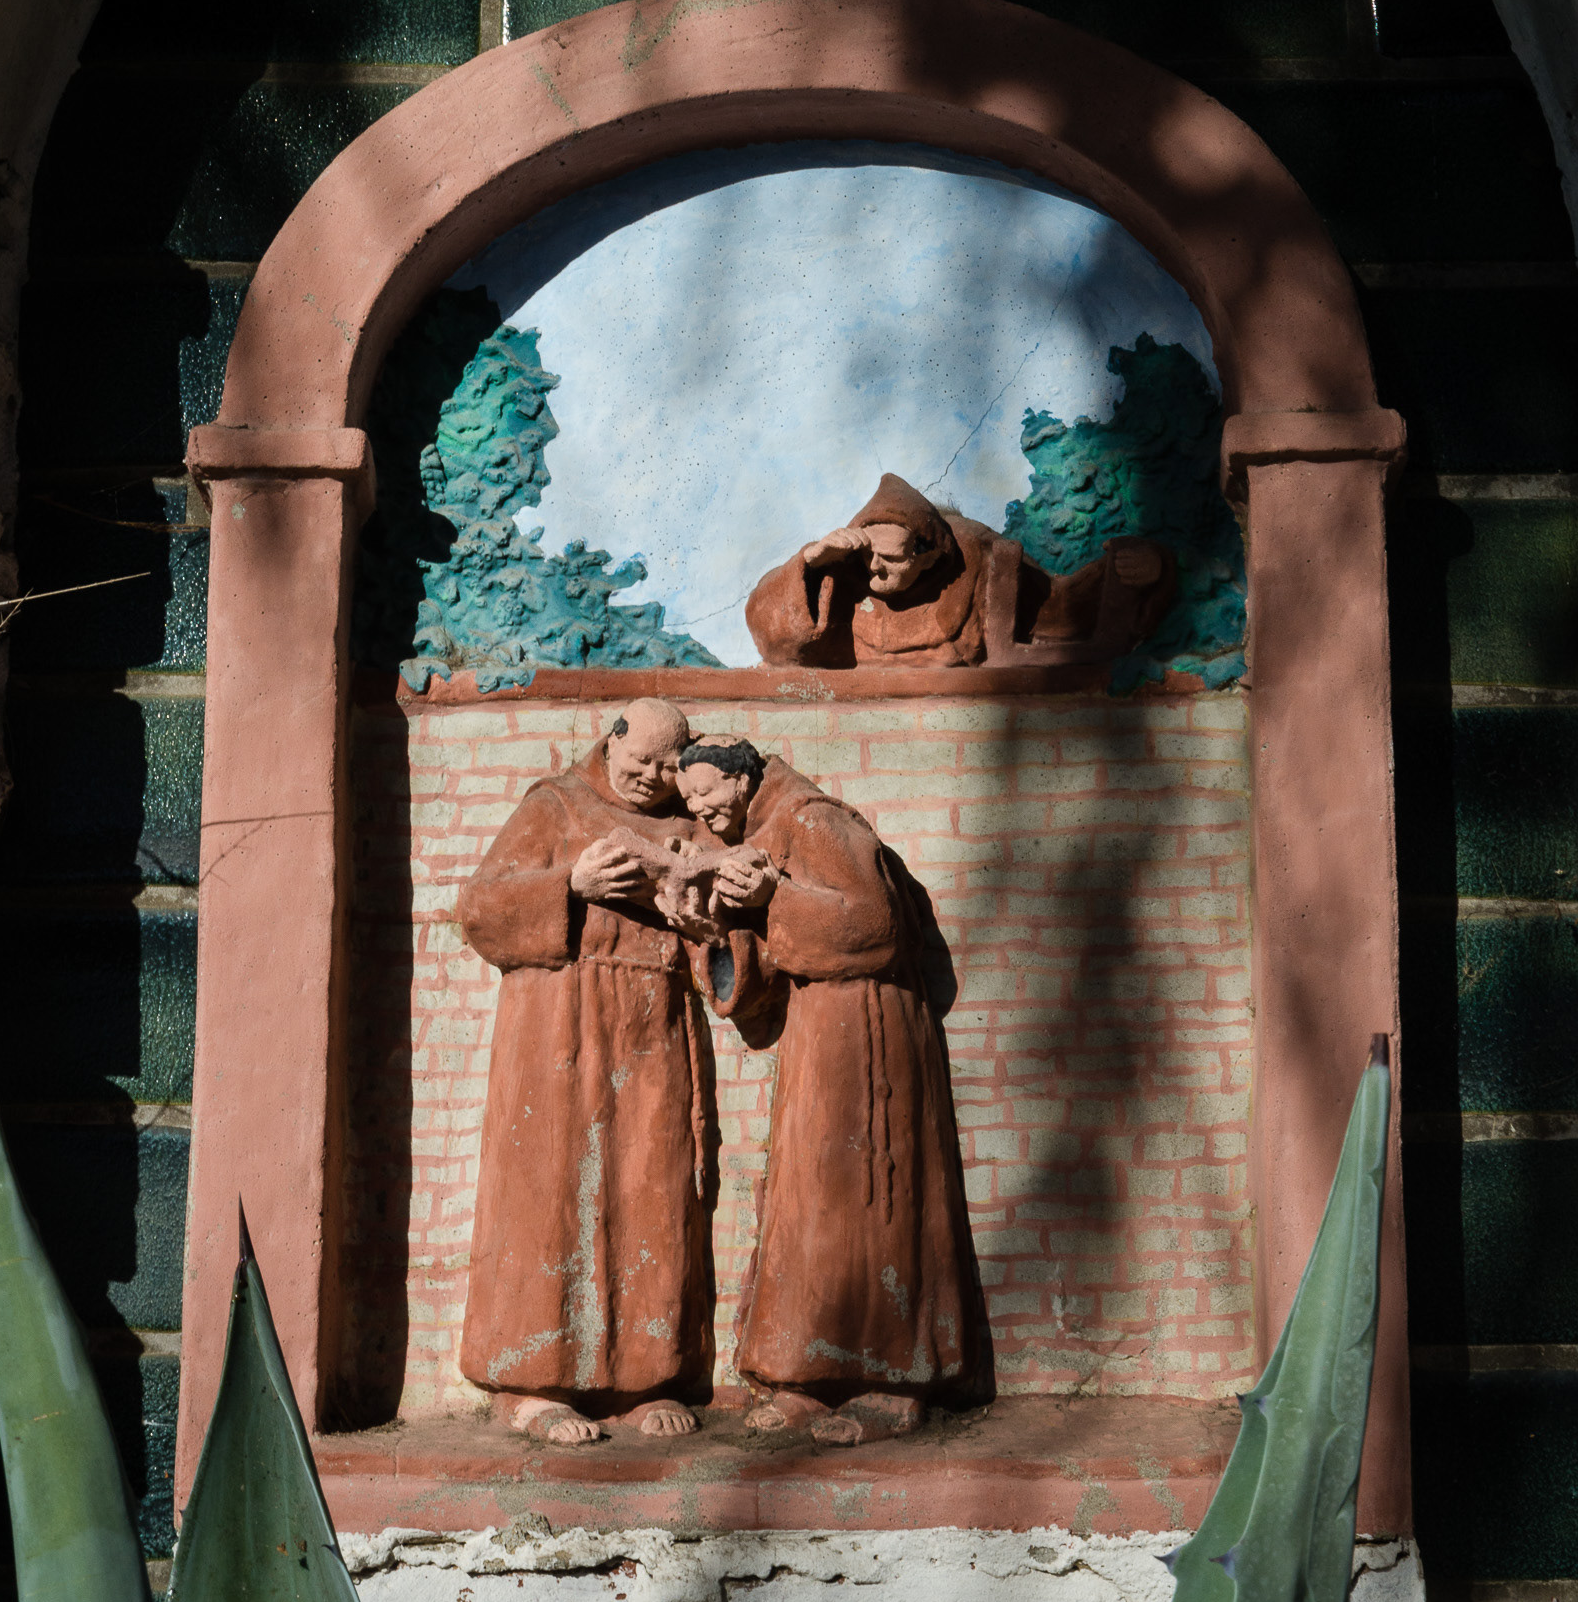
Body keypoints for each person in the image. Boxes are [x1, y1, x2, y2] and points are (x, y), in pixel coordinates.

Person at [675, 737, 986, 1441]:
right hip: (818, 1029)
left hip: (870, 1028)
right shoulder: (760, 832)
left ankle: (891, 1383)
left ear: (742, 779)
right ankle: (806, 1379)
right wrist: (717, 931)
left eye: (705, 794)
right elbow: (767, 962)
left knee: (875, 1197)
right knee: (807, 1201)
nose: (699, 811)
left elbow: (876, 925)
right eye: (688, 801)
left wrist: (775, 896)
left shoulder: (814, 819)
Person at [456, 697, 712, 1443]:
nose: (651, 778)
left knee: (651, 1187)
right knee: (548, 1195)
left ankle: (646, 1378)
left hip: (651, 1028)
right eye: (640, 762)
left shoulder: (686, 824)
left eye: (667, 767)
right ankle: (529, 1387)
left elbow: (716, 929)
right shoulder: (555, 805)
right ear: (611, 741)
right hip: (555, 1027)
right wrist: (570, 885)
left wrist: (697, 905)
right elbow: (480, 909)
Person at [744, 471, 1175, 669]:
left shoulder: (978, 559)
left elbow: (1060, 609)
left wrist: (1135, 569)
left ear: (928, 556)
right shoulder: (843, 579)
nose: (875, 569)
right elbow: (771, 638)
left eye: (891, 559)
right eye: (869, 555)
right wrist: (810, 562)